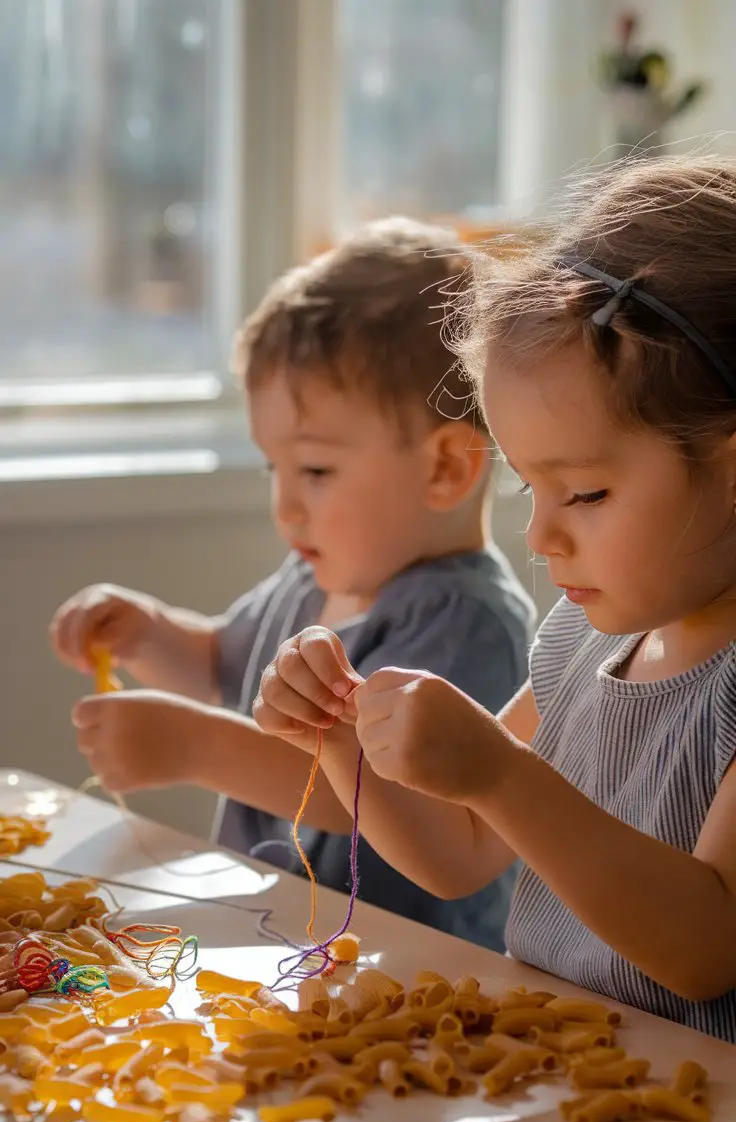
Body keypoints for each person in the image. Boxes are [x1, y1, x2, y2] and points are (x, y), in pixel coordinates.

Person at [252, 158, 736, 1122]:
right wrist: (340, 748)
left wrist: (505, 776)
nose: (544, 540)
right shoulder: (578, 641)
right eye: (530, 490)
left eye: (586, 494)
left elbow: (704, 944)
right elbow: (460, 851)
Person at [51, 217, 535, 952]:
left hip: (410, 968)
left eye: (314, 470)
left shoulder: (464, 619)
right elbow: (223, 665)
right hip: (285, 940)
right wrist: (148, 632)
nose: (284, 502)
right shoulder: (313, 574)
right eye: (272, 468)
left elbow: (369, 793)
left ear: (446, 469)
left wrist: (193, 748)